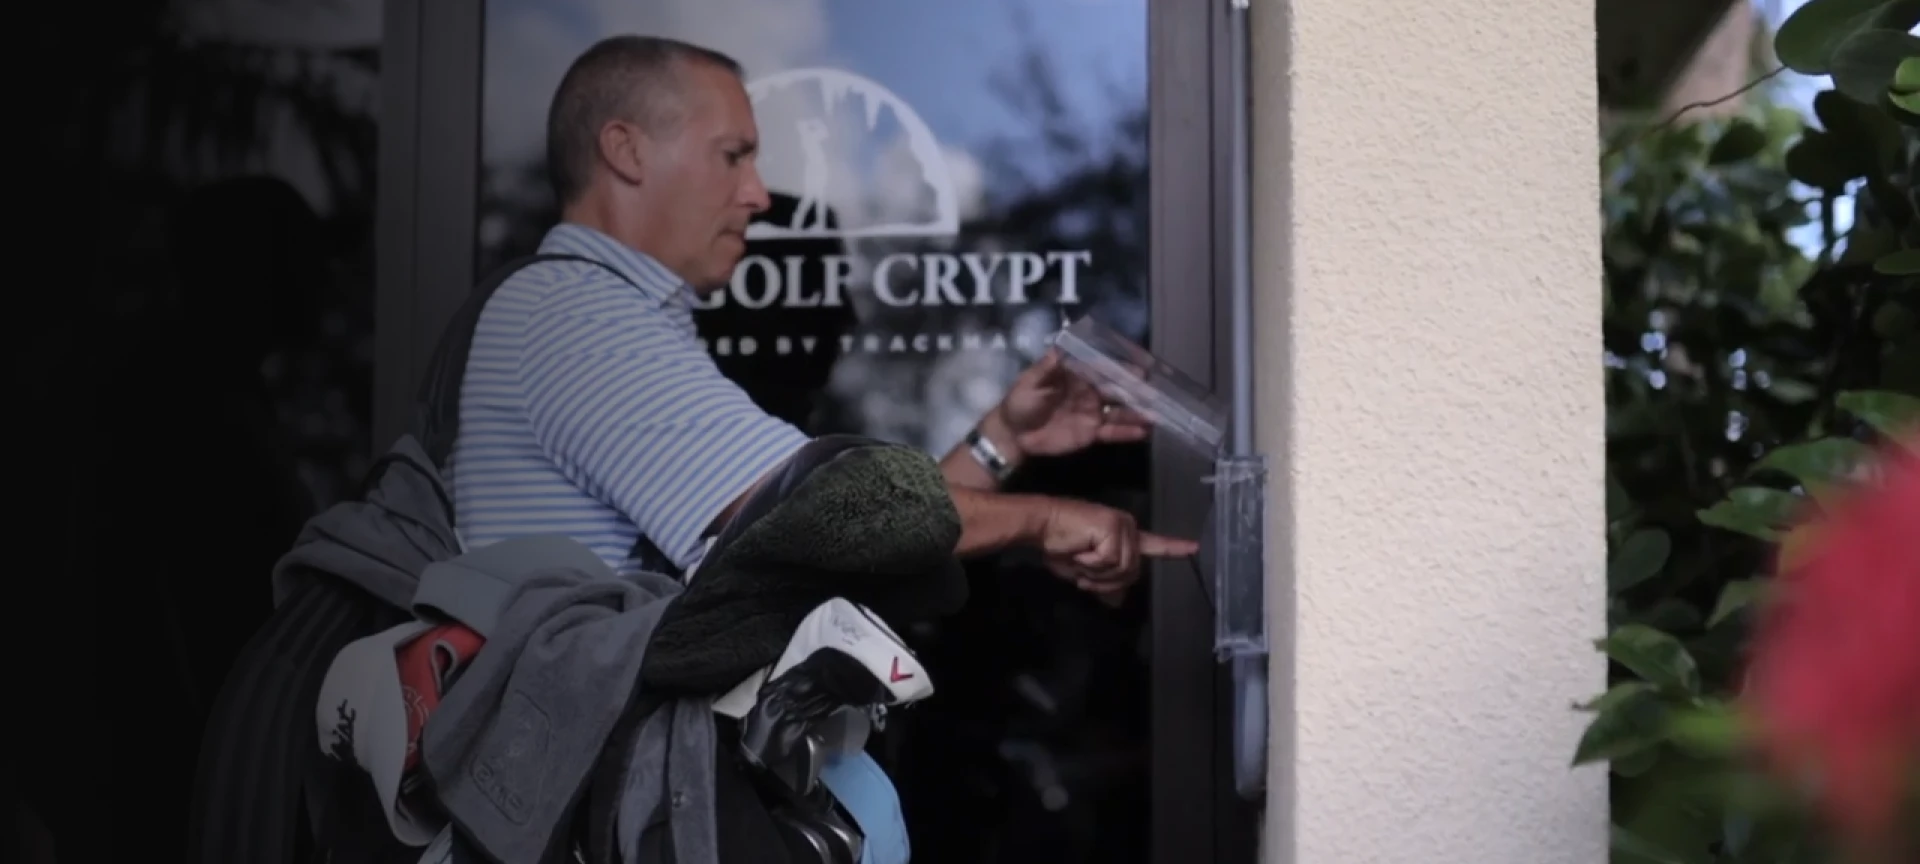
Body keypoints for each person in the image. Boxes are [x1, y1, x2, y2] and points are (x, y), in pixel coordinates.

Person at [451, 34, 1195, 612]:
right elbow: (830, 514)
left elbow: (847, 532)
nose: (756, 194)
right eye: (733, 156)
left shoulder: (598, 315)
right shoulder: (578, 320)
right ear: (626, 150)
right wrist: (1047, 519)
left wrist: (1005, 437)